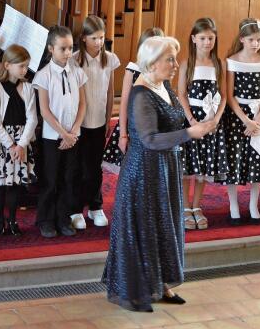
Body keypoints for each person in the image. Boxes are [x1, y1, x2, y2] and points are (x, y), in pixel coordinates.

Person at [102, 36, 216, 312]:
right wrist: (190, 133)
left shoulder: (162, 85)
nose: (176, 64)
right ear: (152, 63)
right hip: (144, 172)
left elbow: (173, 119)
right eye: (170, 59)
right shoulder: (141, 93)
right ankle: (137, 290)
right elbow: (150, 139)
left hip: (165, 167)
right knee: (145, 228)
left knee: (164, 225)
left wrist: (197, 124)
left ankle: (160, 284)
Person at [33, 25, 88, 238]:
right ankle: (46, 220)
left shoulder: (77, 72)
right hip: (52, 138)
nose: (67, 53)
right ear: (50, 49)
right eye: (62, 49)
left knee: (69, 178)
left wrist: (73, 131)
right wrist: (63, 134)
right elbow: (45, 110)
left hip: (73, 137)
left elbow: (83, 104)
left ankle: (63, 219)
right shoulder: (44, 75)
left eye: (70, 48)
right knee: (50, 179)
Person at [224, 19, 260, 224]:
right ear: (242, 39)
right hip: (238, 117)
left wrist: (257, 120)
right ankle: (233, 205)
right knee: (235, 160)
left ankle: (253, 204)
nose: (255, 43)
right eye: (251, 39)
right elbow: (230, 96)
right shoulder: (232, 61)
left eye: (258, 40)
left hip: (259, 117)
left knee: (259, 160)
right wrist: (246, 120)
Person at [176, 18, 228, 230]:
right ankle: (185, 206)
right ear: (194, 39)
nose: (207, 42)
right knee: (189, 165)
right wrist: (191, 120)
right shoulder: (187, 64)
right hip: (192, 120)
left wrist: (216, 119)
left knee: (203, 166)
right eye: (203, 38)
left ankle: (197, 206)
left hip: (211, 120)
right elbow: (180, 94)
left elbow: (224, 95)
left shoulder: (219, 64)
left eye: (211, 38)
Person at [0, 44, 37, 236]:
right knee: (1, 184)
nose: (24, 70)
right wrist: (11, 144)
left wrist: (21, 144)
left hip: (21, 141)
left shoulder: (28, 88)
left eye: (26, 66)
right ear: (7, 65)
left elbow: (32, 118)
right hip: (2, 142)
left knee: (15, 184)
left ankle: (13, 220)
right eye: (21, 66)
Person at [71, 15, 120, 230]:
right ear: (83, 39)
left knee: (94, 166)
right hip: (79, 122)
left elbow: (110, 92)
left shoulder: (109, 59)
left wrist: (109, 118)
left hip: (99, 120)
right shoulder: (74, 60)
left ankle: (95, 206)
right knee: (78, 166)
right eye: (94, 38)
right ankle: (75, 208)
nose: (99, 42)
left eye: (101, 38)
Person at [102, 27, 164, 173]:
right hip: (133, 129)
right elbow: (124, 105)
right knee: (133, 174)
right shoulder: (133, 70)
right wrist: (123, 135)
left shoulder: (163, 70)